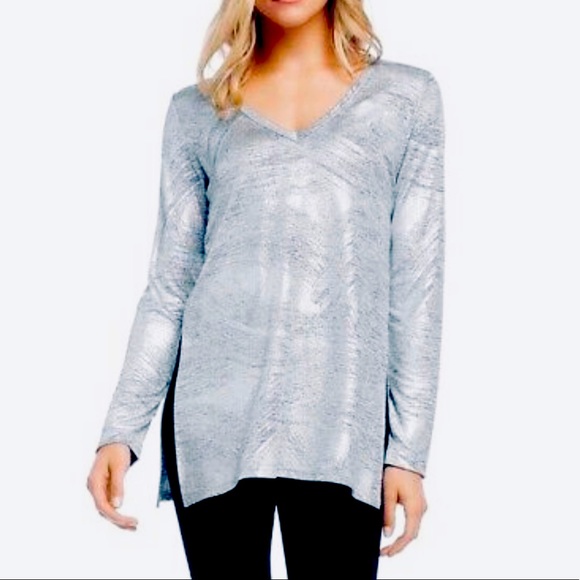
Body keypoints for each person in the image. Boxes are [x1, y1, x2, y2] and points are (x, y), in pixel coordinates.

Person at [86, 0, 446, 578]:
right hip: (212, 418)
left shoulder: (405, 100)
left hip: (343, 420)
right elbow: (171, 286)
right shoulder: (197, 112)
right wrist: (122, 430)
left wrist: (407, 451)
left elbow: (416, 287)